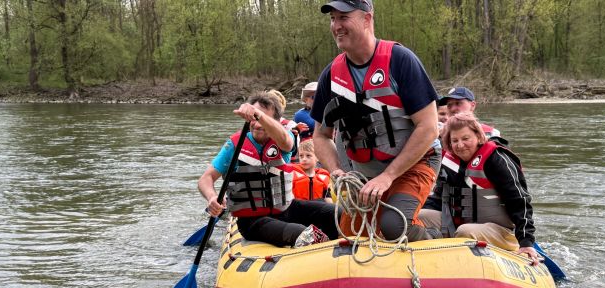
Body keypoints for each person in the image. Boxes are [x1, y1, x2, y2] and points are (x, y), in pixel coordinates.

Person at [310, 0, 441, 242]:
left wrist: (388, 176)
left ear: (367, 20)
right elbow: (320, 135)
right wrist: (336, 170)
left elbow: (429, 127)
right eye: (332, 19)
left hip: (416, 163)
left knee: (393, 225)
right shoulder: (330, 75)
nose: (336, 25)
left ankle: (437, 236)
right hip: (364, 175)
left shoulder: (401, 60)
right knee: (349, 235)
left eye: (343, 18)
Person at [197, 91, 338, 248]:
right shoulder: (234, 145)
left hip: (286, 209)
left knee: (335, 213)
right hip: (252, 220)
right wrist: (211, 197)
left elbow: (286, 142)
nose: (257, 124)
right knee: (302, 233)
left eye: (263, 118)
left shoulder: (285, 137)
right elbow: (206, 178)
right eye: (254, 118)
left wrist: (258, 115)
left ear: (277, 121)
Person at [418, 112, 540, 264]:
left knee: (465, 231)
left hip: (499, 230)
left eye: (465, 138)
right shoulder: (449, 163)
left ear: (478, 136)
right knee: (417, 217)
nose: (460, 145)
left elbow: (519, 201)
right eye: (454, 140)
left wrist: (526, 241)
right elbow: (438, 200)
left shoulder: (497, 159)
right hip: (456, 225)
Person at [437, 86, 506, 144]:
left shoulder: (491, 134)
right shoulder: (436, 132)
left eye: (458, 103)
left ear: (472, 105)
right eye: (449, 105)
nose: (452, 109)